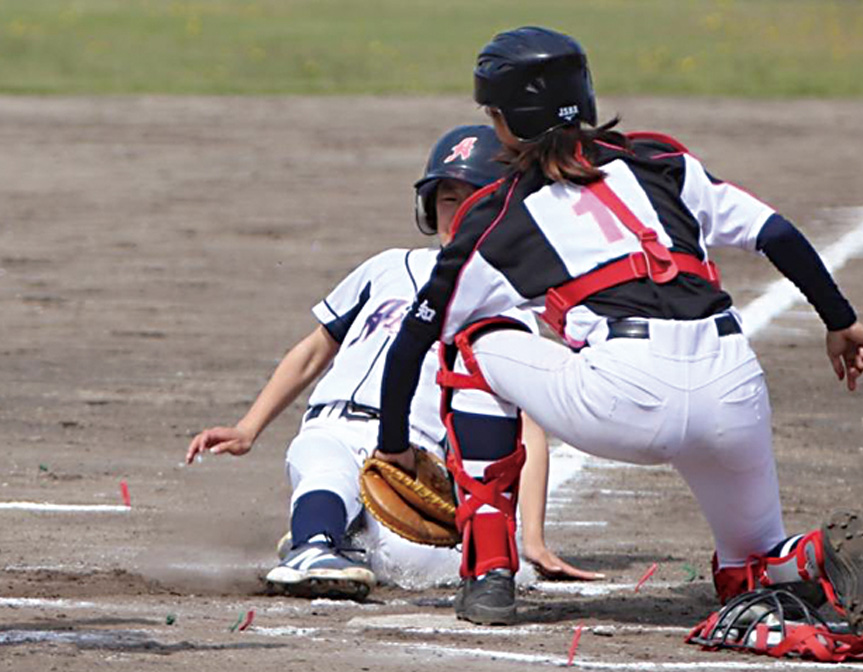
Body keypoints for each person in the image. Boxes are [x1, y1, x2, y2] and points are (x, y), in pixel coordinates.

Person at [373, 27, 863, 640]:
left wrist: (393, 444)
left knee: (475, 341)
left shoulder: (498, 214)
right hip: (733, 387)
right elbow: (777, 234)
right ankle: (809, 556)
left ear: (507, 123)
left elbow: (417, 338)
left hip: (623, 397)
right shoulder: (662, 162)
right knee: (747, 574)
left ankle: (489, 569)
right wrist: (842, 322)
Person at [186, 124, 597, 601]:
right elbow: (315, 349)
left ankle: (336, 537)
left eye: (475, 199)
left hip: (410, 454)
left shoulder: (507, 305)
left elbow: (526, 425)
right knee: (325, 467)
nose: (459, 213)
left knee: (465, 567)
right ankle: (315, 543)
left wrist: (532, 541)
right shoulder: (386, 266)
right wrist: (248, 428)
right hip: (332, 423)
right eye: (448, 199)